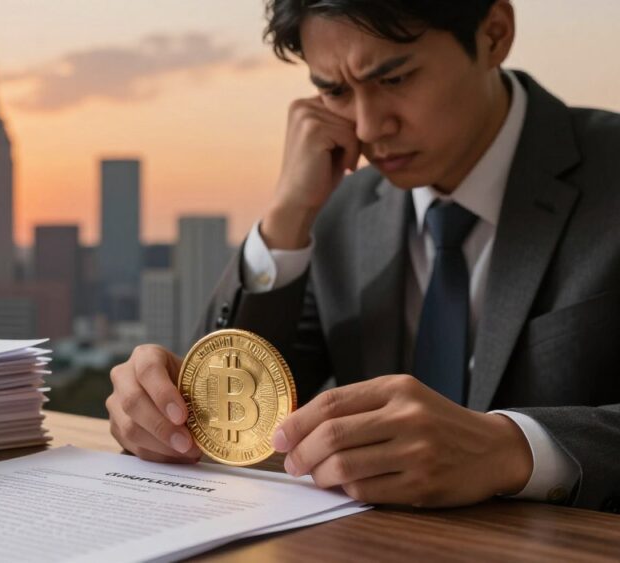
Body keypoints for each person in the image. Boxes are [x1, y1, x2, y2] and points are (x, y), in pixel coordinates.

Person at [105, 0, 620, 512]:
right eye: (334, 90)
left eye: (394, 80)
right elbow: (240, 412)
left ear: (494, 34)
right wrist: (286, 218)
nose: (369, 128)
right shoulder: (339, 208)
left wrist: (512, 449)